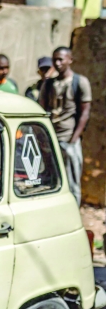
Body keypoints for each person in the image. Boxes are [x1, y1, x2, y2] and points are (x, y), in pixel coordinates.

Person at [40, 46, 92, 204]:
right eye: (55, 59)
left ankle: (73, 215)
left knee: (71, 183)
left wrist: (73, 139)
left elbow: (85, 113)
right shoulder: (49, 84)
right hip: (50, 140)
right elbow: (42, 109)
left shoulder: (79, 82)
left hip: (68, 139)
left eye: (61, 59)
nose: (57, 63)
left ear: (70, 60)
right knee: (50, 181)